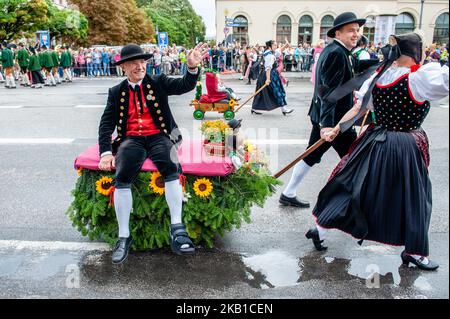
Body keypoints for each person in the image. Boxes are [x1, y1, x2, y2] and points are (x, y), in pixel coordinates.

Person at [306, 32, 449, 271]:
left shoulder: (379, 76)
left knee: (351, 186)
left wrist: (336, 129)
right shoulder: (419, 78)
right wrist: (335, 129)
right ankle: (415, 252)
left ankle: (320, 229)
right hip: (404, 145)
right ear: (416, 52)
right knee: (415, 197)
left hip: (374, 140)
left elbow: (359, 109)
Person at [98, 43, 206, 264]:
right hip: (131, 139)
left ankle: (177, 228)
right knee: (123, 173)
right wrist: (105, 153)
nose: (140, 66)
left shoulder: (158, 81)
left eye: (143, 62)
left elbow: (184, 85)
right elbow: (106, 123)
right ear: (124, 67)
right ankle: (123, 236)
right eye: (134, 63)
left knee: (170, 164)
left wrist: (192, 68)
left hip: (161, 134)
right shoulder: (116, 91)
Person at [280, 12, 367, 208]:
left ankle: (288, 192)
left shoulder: (339, 50)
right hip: (336, 120)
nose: (356, 34)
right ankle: (352, 201)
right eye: (351, 30)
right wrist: (327, 125)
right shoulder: (337, 53)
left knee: (312, 154)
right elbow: (328, 92)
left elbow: (347, 74)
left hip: (329, 117)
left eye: (357, 30)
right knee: (354, 157)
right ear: (338, 33)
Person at [251, 40, 294, 116]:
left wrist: (286, 45)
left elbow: (279, 50)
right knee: (278, 91)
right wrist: (268, 79)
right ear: (270, 46)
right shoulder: (269, 56)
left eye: (276, 45)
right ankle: (284, 109)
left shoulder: (270, 52)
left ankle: (254, 108)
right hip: (269, 74)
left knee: (261, 92)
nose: (276, 46)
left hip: (269, 74)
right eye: (274, 45)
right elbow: (268, 68)